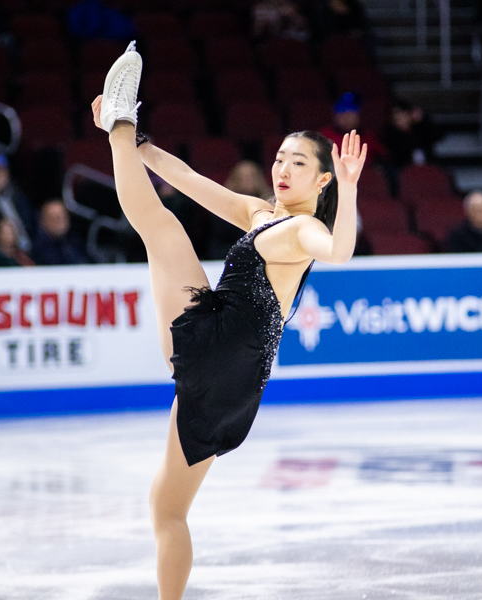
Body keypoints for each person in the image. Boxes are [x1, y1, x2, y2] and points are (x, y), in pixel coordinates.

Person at [91, 42, 365, 600]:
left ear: (322, 182)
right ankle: (122, 126)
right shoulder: (263, 214)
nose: (284, 168)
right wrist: (142, 146)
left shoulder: (299, 231)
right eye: (282, 157)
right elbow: (190, 179)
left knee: (162, 231)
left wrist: (353, 189)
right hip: (233, 369)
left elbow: (338, 251)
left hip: (225, 357)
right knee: (166, 510)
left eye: (301, 163)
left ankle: (119, 124)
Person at [207, 161, 274, 259]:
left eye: (251, 176)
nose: (247, 180)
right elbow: (219, 238)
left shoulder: (270, 204)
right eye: (242, 177)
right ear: (235, 179)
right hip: (228, 254)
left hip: (264, 255)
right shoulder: (223, 204)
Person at [321, 92, 387, 166]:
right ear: (336, 116)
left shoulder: (369, 137)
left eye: (351, 114)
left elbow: (384, 159)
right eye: (344, 114)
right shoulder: (325, 136)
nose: (348, 118)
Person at [31, 199, 90, 265]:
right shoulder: (38, 250)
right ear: (43, 221)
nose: (59, 221)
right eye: (54, 217)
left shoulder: (77, 242)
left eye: (61, 216)